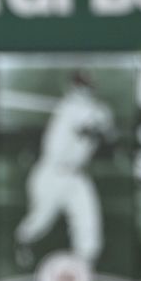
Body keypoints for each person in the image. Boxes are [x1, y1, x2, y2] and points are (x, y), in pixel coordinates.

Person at [15, 71, 117, 267]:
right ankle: (23, 242)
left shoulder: (98, 109)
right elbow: (88, 127)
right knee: (39, 221)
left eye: (87, 85)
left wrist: (105, 123)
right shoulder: (68, 108)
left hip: (77, 176)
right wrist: (102, 122)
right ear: (71, 87)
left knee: (89, 222)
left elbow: (110, 136)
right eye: (79, 86)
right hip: (52, 173)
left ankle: (84, 265)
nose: (84, 89)